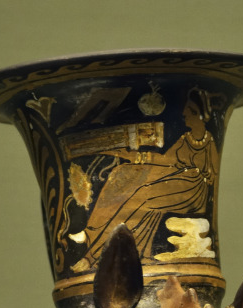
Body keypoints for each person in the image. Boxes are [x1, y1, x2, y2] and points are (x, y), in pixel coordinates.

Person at [71, 88, 219, 272]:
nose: (183, 115)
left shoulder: (209, 141)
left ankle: (93, 256)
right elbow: (166, 160)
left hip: (193, 190)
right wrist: (131, 156)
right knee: (124, 172)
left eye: (187, 112)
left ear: (199, 114)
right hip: (178, 180)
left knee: (143, 196)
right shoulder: (185, 138)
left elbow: (210, 180)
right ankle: (95, 234)